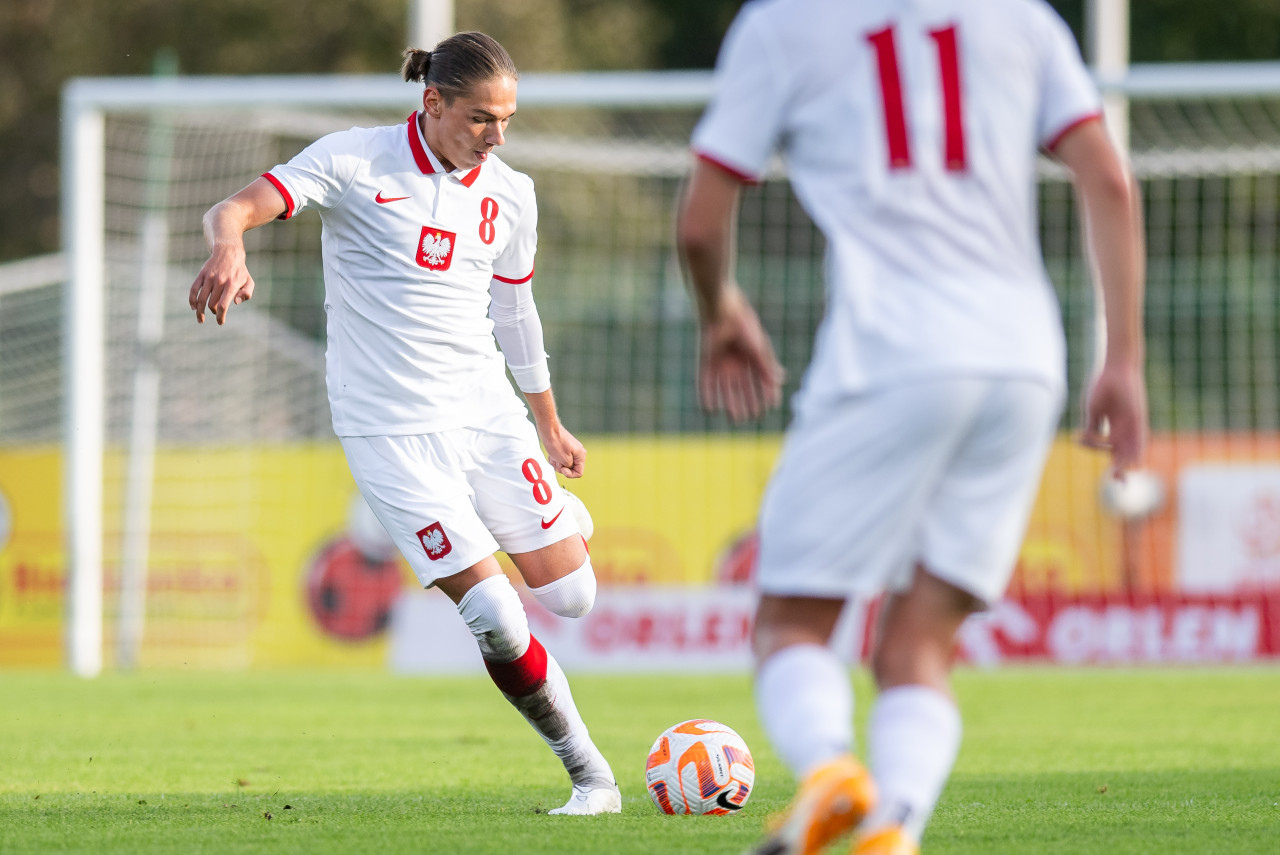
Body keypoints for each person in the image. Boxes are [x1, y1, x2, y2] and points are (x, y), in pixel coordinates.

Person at [677, 1, 1146, 852]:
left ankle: (828, 770)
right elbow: (1109, 179)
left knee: (790, 622)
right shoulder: (1024, 20)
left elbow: (701, 222)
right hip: (1023, 359)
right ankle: (894, 827)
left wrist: (722, 312)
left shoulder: (784, 25)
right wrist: (1123, 359)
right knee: (919, 641)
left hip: (891, 351)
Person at [189, 32, 621, 816]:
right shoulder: (356, 161)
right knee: (494, 614)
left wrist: (549, 426)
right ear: (433, 103)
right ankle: (592, 776)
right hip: (389, 431)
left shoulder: (511, 194)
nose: (497, 136)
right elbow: (233, 208)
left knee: (574, 597)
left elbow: (516, 312)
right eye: (482, 119)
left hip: (487, 414)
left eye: (508, 120)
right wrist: (229, 249)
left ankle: (553, 523)